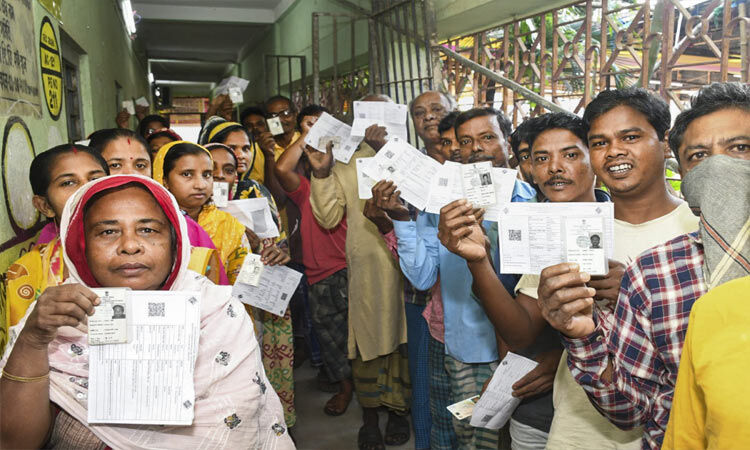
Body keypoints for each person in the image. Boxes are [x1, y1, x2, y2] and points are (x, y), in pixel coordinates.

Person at [0, 175, 293, 449]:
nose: (130, 245)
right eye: (108, 231)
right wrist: (33, 340)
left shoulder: (217, 313)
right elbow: (14, 443)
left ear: (175, 241)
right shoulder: (55, 320)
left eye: (148, 230)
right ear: (81, 246)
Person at [538, 82, 750, 449]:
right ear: (683, 170)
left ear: (661, 145)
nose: (720, 168)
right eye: (699, 156)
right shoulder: (655, 271)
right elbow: (632, 411)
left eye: (740, 148)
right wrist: (582, 336)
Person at [440, 113, 609, 449]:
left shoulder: (628, 223)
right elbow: (519, 334)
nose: (554, 168)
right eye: (542, 158)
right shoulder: (542, 230)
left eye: (570, 155)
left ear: (595, 156)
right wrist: (478, 261)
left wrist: (560, 358)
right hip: (545, 420)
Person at [374, 107, 538, 449]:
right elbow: (421, 277)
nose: (476, 147)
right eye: (466, 141)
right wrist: (401, 218)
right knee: (466, 435)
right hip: (463, 348)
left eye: (487, 137)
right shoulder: (443, 205)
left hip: (516, 351)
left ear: (508, 144)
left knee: (505, 439)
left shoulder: (533, 203)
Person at [152, 140, 297, 429]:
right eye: (187, 175)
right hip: (168, 335)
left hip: (223, 333)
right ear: (163, 178)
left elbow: (244, 277)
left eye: (206, 175)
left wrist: (267, 264)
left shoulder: (227, 223)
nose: (200, 184)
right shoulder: (151, 223)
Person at [305, 94, 410, 450]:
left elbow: (420, 203)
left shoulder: (412, 155)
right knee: (368, 340)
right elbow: (328, 217)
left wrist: (388, 152)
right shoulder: (346, 160)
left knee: (406, 341)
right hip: (368, 270)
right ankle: (369, 419)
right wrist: (321, 171)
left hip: (411, 267)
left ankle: (398, 412)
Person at [274, 115, 351, 418]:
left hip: (351, 269)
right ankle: (345, 388)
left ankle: (365, 388)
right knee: (330, 337)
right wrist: (309, 134)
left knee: (357, 336)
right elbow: (281, 168)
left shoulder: (349, 185)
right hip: (319, 274)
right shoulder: (306, 188)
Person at [3, 145, 108, 351]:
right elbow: (20, 357)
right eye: (68, 182)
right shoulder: (26, 272)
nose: (87, 189)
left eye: (95, 179)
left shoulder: (144, 251)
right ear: (45, 206)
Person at [409, 90, 456, 163]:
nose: (428, 116)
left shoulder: (474, 157)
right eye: (420, 113)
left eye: (436, 109)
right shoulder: (410, 165)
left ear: (453, 113)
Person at [240, 105, 270, 183]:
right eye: (249, 126)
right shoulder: (243, 152)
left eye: (260, 124)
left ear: (266, 125)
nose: (255, 128)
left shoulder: (275, 145)